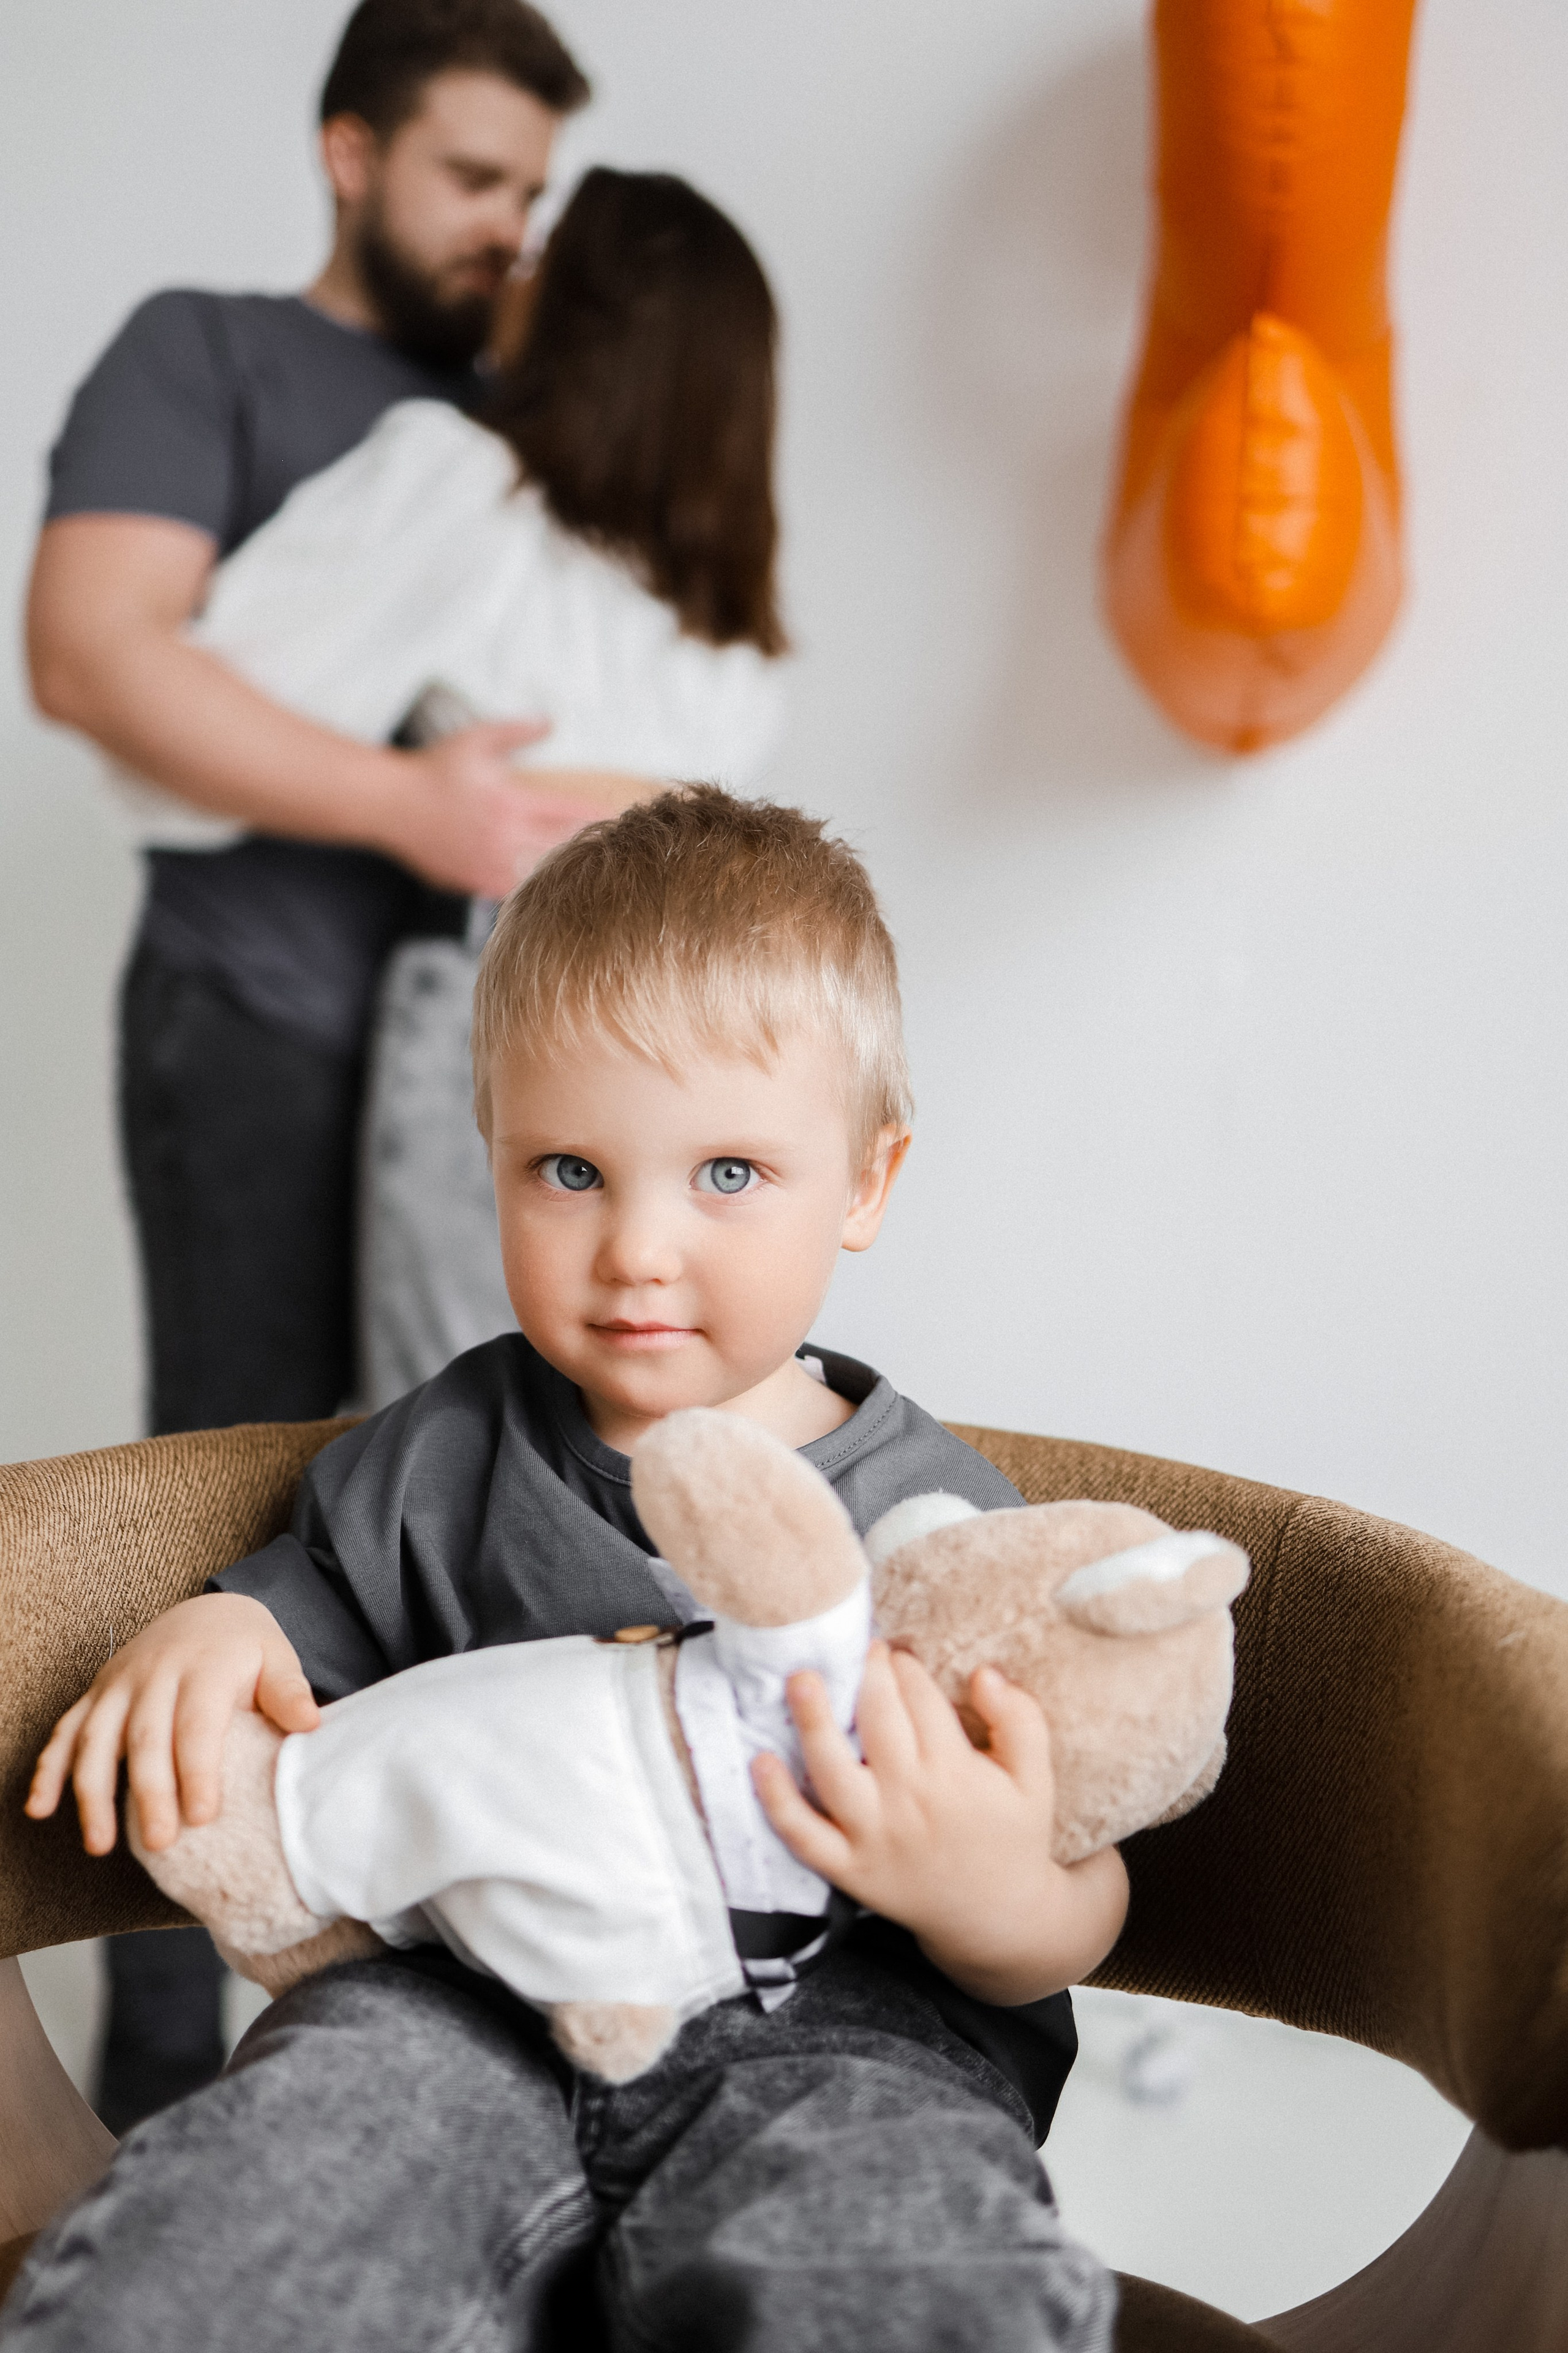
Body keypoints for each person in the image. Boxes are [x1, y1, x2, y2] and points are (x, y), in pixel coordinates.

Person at [17, 789, 1127, 2353]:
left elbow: (1083, 1889)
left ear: (865, 1182)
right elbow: (305, 1621)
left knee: (890, 2271)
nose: (636, 1249)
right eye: (569, 1170)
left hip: (834, 2034)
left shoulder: (938, 1525)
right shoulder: (445, 1449)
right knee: (250, 2215)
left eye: (726, 1173)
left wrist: (994, 1894)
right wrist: (213, 1630)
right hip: (457, 2006)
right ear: (491, 1156)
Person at [24, 0, 608, 2136]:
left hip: (498, 1085)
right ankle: (167, 2090)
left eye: (534, 189)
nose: (508, 224)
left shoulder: (537, 408)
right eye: (472, 176)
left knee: (495, 1525)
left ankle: (437, 2066)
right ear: (350, 151)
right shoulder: (208, 355)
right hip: (260, 1023)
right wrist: (412, 811)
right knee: (234, 1519)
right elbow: (91, 651)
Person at [186, 165, 789, 1408]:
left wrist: (406, 790)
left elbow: (205, 687)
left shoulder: (468, 481)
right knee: (649, 1413)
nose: (509, 270)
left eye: (540, 256)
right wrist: (407, 794)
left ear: (588, 317)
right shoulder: (724, 612)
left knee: (472, 1413)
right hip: (702, 1021)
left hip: (519, 984)